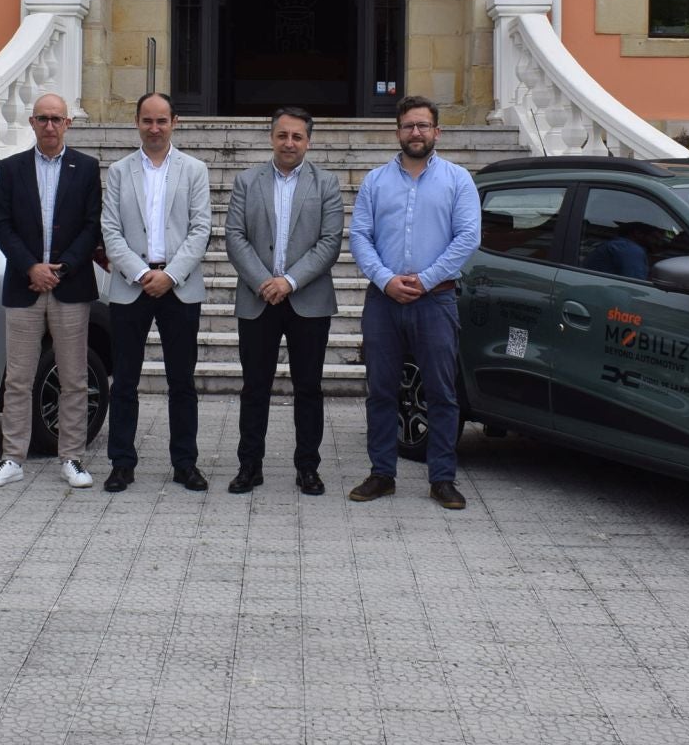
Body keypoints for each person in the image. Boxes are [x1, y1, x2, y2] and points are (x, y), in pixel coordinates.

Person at [347, 95, 480, 510]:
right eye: (409, 126)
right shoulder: (376, 181)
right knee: (382, 391)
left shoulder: (458, 180)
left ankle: (442, 479)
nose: (416, 133)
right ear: (398, 131)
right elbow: (359, 237)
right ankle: (382, 473)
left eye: (423, 126)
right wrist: (386, 281)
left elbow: (467, 238)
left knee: (442, 393)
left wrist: (424, 280)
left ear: (437, 132)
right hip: (384, 302)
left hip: (436, 302)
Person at [0, 92, 103, 489]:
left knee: (74, 378)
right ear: (31, 123)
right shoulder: (12, 169)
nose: (49, 125)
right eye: (42, 119)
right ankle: (12, 458)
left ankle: (72, 458)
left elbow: (91, 226)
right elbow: (2, 226)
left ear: (68, 123)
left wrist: (61, 268)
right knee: (18, 378)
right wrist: (31, 267)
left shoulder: (85, 168)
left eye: (56, 119)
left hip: (70, 287)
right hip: (24, 284)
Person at [221, 107, 343, 496]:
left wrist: (288, 282)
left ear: (308, 141)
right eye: (282, 135)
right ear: (271, 137)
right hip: (258, 300)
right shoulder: (246, 180)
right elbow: (235, 236)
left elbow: (330, 243)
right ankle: (249, 467)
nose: (289, 143)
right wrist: (264, 282)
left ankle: (308, 467)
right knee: (255, 387)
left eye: (297, 137)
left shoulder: (327, 184)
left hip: (308, 300)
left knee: (309, 388)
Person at [100, 92, 213, 492]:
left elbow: (202, 230)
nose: (154, 128)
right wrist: (139, 272)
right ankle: (122, 463)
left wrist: (171, 275)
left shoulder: (194, 170)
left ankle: (185, 463)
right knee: (125, 381)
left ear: (174, 122)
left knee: (181, 381)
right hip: (131, 287)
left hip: (179, 288)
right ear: (137, 123)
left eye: (161, 121)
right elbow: (110, 230)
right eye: (147, 120)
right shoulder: (119, 171)